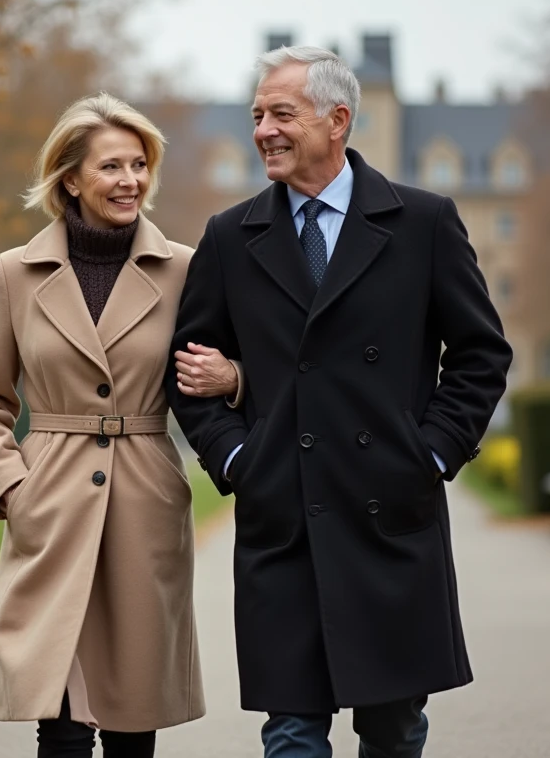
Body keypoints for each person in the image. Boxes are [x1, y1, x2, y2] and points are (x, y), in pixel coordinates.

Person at [167, 46, 512, 758]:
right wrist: (237, 458)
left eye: (281, 113)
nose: (262, 129)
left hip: (390, 517)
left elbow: (481, 356)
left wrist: (434, 452)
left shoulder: (424, 222)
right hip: (282, 516)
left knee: (393, 727)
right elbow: (188, 373)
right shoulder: (232, 237)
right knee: (291, 732)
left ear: (339, 120)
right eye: (257, 114)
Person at [0, 92, 240, 758]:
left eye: (140, 165)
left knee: (132, 714)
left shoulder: (185, 268)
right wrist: (11, 488)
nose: (131, 181)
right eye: (112, 166)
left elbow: (219, 372)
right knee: (57, 712)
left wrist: (234, 378)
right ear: (70, 178)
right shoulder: (14, 273)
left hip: (143, 497)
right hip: (49, 500)